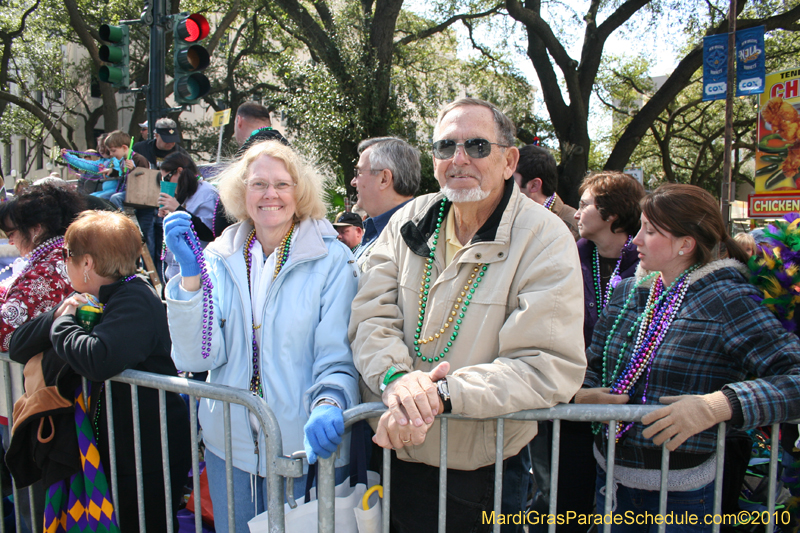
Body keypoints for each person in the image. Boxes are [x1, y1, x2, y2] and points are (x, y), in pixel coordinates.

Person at [349, 98, 585, 532]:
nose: (459, 159)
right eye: (445, 147)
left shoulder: (546, 238)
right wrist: (396, 380)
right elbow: (370, 318)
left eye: (477, 146)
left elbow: (544, 364)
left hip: (484, 475)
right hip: (398, 460)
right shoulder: (409, 219)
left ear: (508, 159)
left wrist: (439, 397)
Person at [576, 183, 800, 532]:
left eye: (649, 231)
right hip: (611, 485)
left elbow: (794, 379)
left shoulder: (727, 298)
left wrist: (717, 405)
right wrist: (580, 396)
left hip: (685, 496)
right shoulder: (627, 293)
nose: (635, 240)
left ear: (686, 244)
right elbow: (592, 366)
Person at [164, 140, 359, 533]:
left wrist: (330, 402)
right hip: (229, 450)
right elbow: (196, 358)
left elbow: (337, 354)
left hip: (306, 449)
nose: (270, 194)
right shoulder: (219, 256)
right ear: (242, 192)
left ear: (299, 191)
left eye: (282, 184)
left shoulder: (332, 259)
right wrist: (189, 281)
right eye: (258, 184)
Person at [8, 210, 191, 533]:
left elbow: (98, 359)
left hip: (144, 455)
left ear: (87, 263)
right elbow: (18, 346)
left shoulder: (135, 299)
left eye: (67, 255)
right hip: (109, 449)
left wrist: (64, 322)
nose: (64, 262)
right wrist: (60, 314)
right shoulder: (91, 297)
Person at [528, 170, 645, 532]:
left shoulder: (647, 262)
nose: (576, 214)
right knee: (566, 506)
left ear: (610, 215)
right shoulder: (568, 255)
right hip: (574, 400)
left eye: (584, 205)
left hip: (629, 409)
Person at [0, 184, 85, 351]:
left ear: (35, 229)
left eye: (11, 233)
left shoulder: (51, 269)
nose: (10, 241)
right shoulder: (57, 257)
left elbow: (5, 327)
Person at [350, 137, 420, 269]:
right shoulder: (384, 231)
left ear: (384, 179)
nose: (353, 182)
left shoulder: (413, 239)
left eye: (358, 173)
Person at [156, 152, 220, 282]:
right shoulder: (186, 192)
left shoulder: (207, 193)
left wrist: (177, 209)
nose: (167, 183)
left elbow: (209, 234)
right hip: (175, 270)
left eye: (167, 178)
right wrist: (169, 215)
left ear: (179, 171)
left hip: (196, 272)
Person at [513, 144, 579, 239]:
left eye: (511, 179)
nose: (502, 184)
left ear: (534, 185)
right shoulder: (507, 214)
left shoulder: (572, 226)